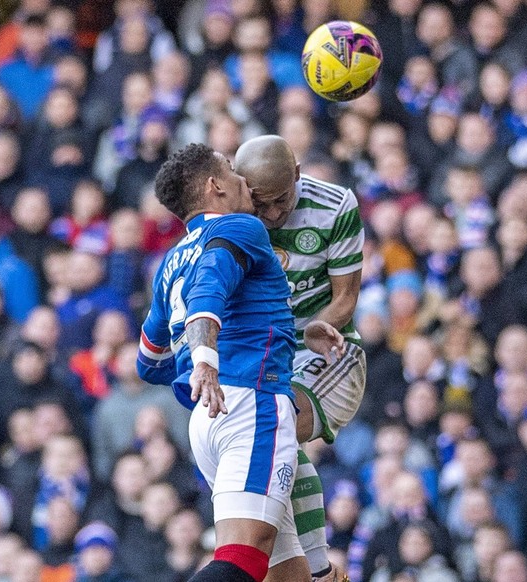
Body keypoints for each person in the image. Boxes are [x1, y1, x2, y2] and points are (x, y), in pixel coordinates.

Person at [137, 143, 342, 582]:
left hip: (208, 420)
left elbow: (149, 360)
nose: (243, 178)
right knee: (242, 558)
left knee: (288, 574)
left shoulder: (170, 262)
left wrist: (198, 361)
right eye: (231, 170)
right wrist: (207, 360)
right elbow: (211, 283)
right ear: (215, 186)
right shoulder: (240, 228)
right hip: (251, 403)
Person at [235, 134, 367, 581]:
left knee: (278, 423)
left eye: (281, 200)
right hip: (267, 362)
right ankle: (315, 572)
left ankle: (318, 570)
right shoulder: (234, 218)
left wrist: (317, 326)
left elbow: (347, 296)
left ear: (297, 174)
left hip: (331, 353)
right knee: (266, 447)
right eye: (261, 203)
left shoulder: (336, 205)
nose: (271, 214)